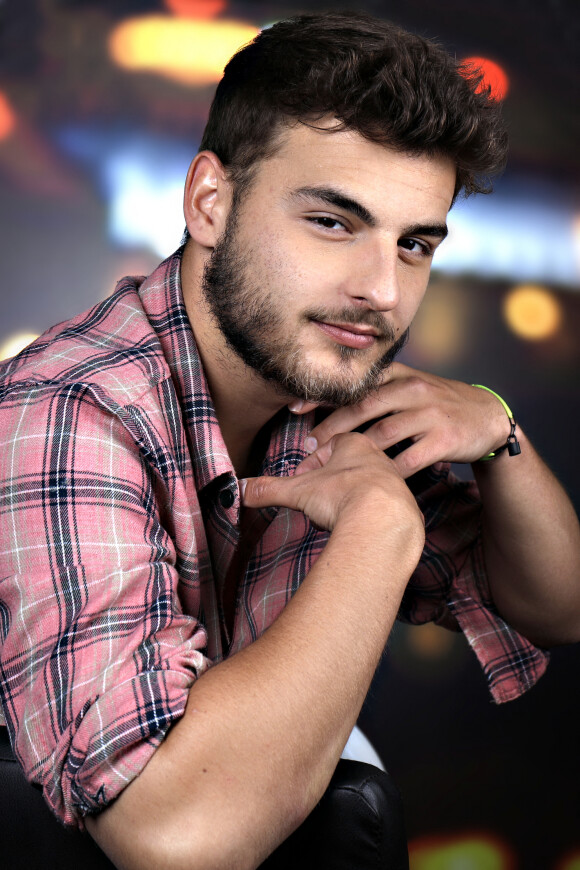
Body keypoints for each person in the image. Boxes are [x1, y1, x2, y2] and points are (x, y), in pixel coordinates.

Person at [0, 11, 579, 870]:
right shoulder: (70, 410)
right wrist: (381, 533)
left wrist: (498, 429)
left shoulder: (323, 394)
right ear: (210, 202)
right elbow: (173, 839)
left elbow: (557, 604)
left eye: (414, 243)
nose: (382, 291)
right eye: (334, 223)